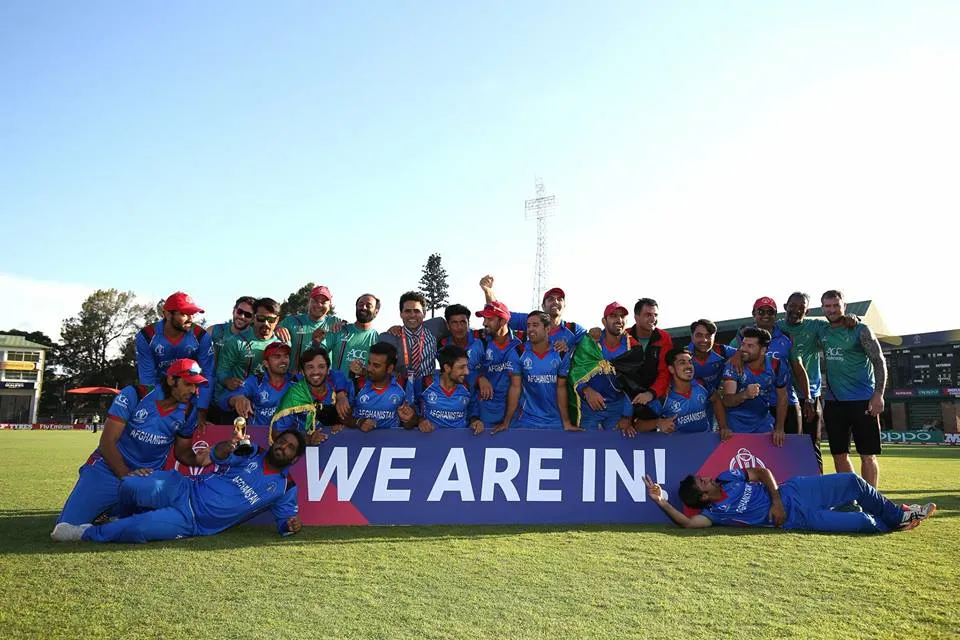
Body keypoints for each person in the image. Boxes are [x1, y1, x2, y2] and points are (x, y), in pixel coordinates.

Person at [51, 429, 306, 543]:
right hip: (184, 487)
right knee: (131, 484)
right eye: (282, 441)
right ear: (274, 442)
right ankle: (121, 512)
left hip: (191, 521)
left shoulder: (286, 487)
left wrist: (290, 526)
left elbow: (284, 521)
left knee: (138, 529)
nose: (283, 446)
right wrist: (228, 445)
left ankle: (82, 534)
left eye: (290, 447)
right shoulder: (253, 452)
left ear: (294, 458)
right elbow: (217, 456)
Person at [54, 359, 211, 526]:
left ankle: (116, 511)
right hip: (108, 469)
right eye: (188, 384)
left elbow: (182, 452)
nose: (193, 390)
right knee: (66, 527)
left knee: (165, 523)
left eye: (196, 385)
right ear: (171, 379)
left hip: (147, 477)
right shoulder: (136, 395)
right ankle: (110, 509)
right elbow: (107, 442)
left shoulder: (190, 410)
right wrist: (126, 474)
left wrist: (198, 459)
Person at [643, 468, 936, 533]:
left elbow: (762, 472)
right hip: (798, 519)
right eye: (702, 482)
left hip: (793, 493)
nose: (707, 478)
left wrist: (777, 501)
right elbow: (688, 523)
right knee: (863, 523)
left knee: (851, 481)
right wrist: (661, 502)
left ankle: (899, 515)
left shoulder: (727, 477)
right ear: (703, 496)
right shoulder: (715, 513)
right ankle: (896, 521)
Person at [779, 292, 858, 473]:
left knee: (812, 445)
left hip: (810, 397)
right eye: (793, 306)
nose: (796, 310)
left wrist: (852, 317)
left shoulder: (816, 326)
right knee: (784, 446)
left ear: (807, 311)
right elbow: (745, 338)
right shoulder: (776, 329)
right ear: (785, 307)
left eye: (802, 308)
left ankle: (818, 488)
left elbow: (839, 322)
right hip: (781, 396)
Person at [818, 290, 888, 487]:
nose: (832, 310)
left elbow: (879, 361)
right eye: (828, 306)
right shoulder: (822, 331)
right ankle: (853, 498)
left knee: (867, 455)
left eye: (836, 306)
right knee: (839, 455)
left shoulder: (861, 329)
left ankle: (872, 500)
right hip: (834, 403)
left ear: (844, 306)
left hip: (863, 401)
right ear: (822, 307)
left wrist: (878, 394)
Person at [730, 297, 810, 435]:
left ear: (776, 314)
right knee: (759, 454)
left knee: (791, 451)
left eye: (770, 312)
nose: (766, 315)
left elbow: (798, 369)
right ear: (754, 313)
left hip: (786, 401)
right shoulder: (742, 338)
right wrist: (736, 352)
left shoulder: (786, 337)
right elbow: (725, 357)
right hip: (756, 404)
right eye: (761, 311)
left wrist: (808, 398)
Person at [136, 292, 215, 426]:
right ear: (167, 314)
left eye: (192, 314)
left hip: (190, 391)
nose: (190, 319)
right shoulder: (147, 336)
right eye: (184, 314)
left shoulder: (201, 336)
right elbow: (147, 379)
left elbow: (208, 377)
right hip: (160, 391)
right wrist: (153, 410)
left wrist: (201, 413)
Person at [496, 311, 578, 432]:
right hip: (526, 420)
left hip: (554, 421)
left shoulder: (561, 353)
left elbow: (561, 388)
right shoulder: (519, 352)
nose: (530, 329)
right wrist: (506, 422)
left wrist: (566, 423)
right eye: (528, 325)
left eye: (535, 325)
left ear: (547, 329)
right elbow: (515, 388)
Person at [215, 298, 285, 421]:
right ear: (253, 318)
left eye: (271, 319)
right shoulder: (236, 342)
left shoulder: (283, 343)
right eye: (261, 319)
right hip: (238, 405)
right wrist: (228, 381)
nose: (266, 324)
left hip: (268, 407)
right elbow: (221, 371)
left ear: (277, 320)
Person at [633, 348, 728, 437]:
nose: (688, 366)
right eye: (682, 363)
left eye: (690, 362)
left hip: (705, 444)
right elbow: (638, 425)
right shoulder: (663, 396)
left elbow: (716, 399)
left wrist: (723, 427)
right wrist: (658, 423)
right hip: (677, 449)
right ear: (671, 369)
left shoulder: (702, 385)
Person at [479, 275, 585, 353]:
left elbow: (594, 343)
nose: (555, 302)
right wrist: (488, 291)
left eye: (559, 299)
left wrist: (598, 331)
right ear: (543, 306)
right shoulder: (530, 320)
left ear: (564, 305)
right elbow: (499, 313)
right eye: (551, 299)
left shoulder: (574, 329)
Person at [721, 328, 788, 446]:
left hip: (762, 421)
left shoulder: (776, 365)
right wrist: (745, 395)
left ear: (763, 350)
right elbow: (727, 401)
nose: (743, 349)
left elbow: (782, 397)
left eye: (750, 346)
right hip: (736, 423)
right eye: (743, 344)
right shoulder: (734, 365)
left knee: (766, 462)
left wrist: (779, 428)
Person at [575, 302, 635, 432]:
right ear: (604, 321)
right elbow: (576, 370)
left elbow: (634, 385)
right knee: (585, 446)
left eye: (622, 316)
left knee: (619, 445)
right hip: (590, 407)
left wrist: (627, 416)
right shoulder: (591, 341)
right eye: (613, 316)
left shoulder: (632, 346)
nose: (619, 320)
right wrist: (585, 389)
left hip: (617, 407)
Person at [269, 347, 351, 442]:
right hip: (302, 453)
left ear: (328, 370)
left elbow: (356, 420)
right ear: (303, 372)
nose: (316, 372)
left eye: (321, 366)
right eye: (310, 367)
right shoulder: (294, 394)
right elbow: (276, 434)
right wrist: (308, 439)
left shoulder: (339, 388)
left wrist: (343, 423)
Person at [473, 301, 524, 430]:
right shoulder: (481, 344)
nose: (484, 323)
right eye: (484, 318)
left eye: (489, 319)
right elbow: (466, 370)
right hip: (487, 410)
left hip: (517, 412)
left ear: (502, 321)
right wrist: (480, 378)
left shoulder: (521, 343)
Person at [411, 345, 483, 434]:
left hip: (460, 442)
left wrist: (475, 421)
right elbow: (412, 406)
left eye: (467, 366)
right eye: (461, 367)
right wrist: (420, 420)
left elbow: (473, 410)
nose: (467, 372)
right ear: (447, 368)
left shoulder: (468, 386)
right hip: (430, 441)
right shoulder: (425, 383)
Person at [220, 342, 297, 426]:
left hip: (287, 436)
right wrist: (237, 399)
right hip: (258, 436)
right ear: (266, 363)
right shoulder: (256, 382)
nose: (283, 360)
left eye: (286, 356)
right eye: (277, 357)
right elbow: (224, 400)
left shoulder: (296, 381)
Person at [346, 342, 416, 431]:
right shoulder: (357, 384)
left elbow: (412, 421)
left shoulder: (404, 385)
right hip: (359, 442)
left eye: (376, 366)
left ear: (390, 368)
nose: (369, 368)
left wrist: (407, 420)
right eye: (369, 363)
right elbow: (343, 417)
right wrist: (359, 422)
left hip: (391, 443)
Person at [278, 285, 344, 374]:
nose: (319, 305)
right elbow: (271, 331)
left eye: (323, 302)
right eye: (315, 301)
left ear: (330, 305)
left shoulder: (335, 322)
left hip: (321, 381)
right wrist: (277, 328)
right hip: (294, 380)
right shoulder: (291, 321)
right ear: (309, 302)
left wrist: (343, 324)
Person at [313, 293, 381, 377]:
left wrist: (363, 372)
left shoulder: (378, 339)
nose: (363, 307)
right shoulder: (339, 330)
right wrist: (316, 341)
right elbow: (317, 354)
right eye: (361, 304)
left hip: (365, 389)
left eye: (368, 305)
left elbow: (381, 374)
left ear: (376, 311)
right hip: (336, 388)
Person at [378, 291, 440, 381]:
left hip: (429, 390)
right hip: (400, 391)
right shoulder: (388, 339)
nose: (412, 315)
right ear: (401, 314)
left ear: (424, 314)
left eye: (416, 311)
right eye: (407, 311)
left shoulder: (436, 327)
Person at [623, 298, 673, 405]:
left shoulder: (664, 338)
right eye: (648, 315)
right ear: (636, 317)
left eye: (655, 315)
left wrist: (651, 393)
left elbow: (665, 371)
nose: (653, 319)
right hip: (626, 396)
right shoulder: (624, 337)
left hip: (655, 395)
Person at [437, 304, 485, 389]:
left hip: (481, 399)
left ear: (468, 323)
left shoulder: (482, 338)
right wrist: (478, 377)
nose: (459, 327)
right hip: (455, 399)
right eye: (454, 323)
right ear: (448, 326)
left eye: (463, 322)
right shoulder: (442, 346)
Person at [208, 296, 256, 363]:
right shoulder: (213, 330)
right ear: (234, 311)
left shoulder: (255, 340)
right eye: (240, 311)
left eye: (248, 315)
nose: (242, 316)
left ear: (253, 319)